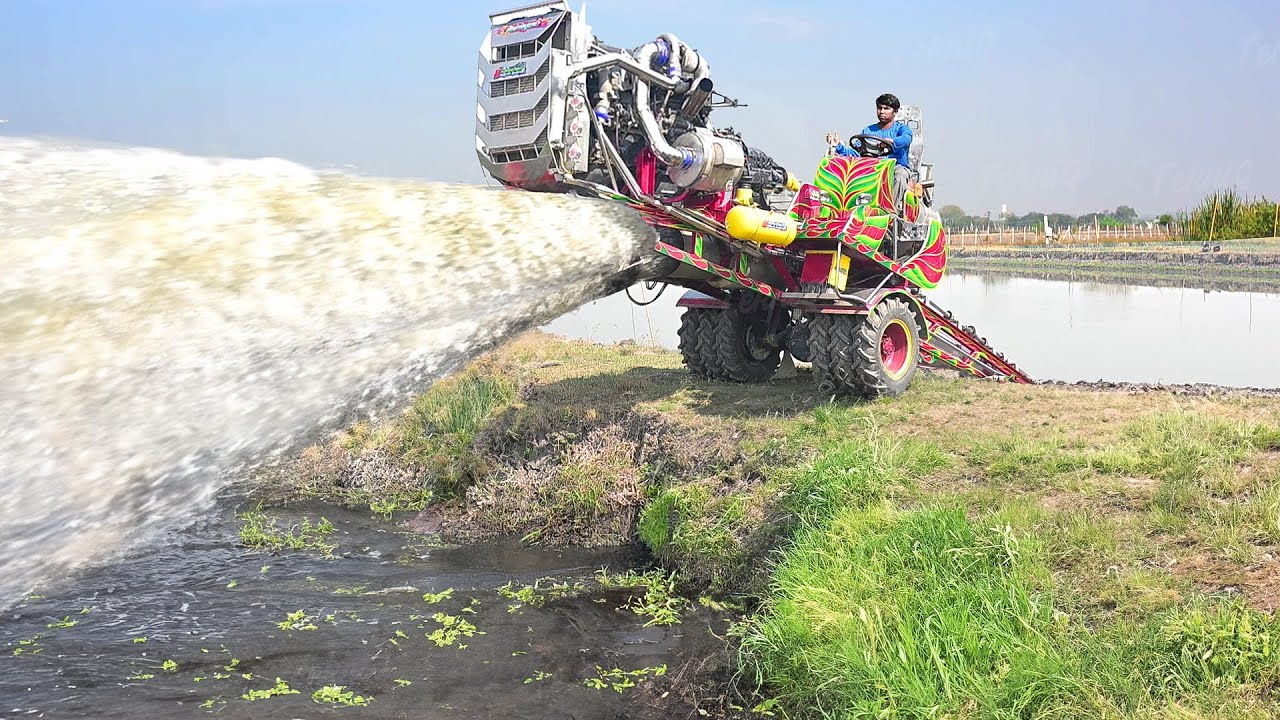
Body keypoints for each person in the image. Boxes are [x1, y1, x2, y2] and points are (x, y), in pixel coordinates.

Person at [825, 93, 914, 212]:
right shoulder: (868, 131)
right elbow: (857, 153)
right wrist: (839, 147)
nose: (882, 111)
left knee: (900, 175)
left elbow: (907, 138)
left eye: (886, 108)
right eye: (879, 108)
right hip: (873, 169)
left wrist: (892, 141)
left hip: (895, 168)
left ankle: (891, 212)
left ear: (895, 112)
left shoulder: (901, 129)